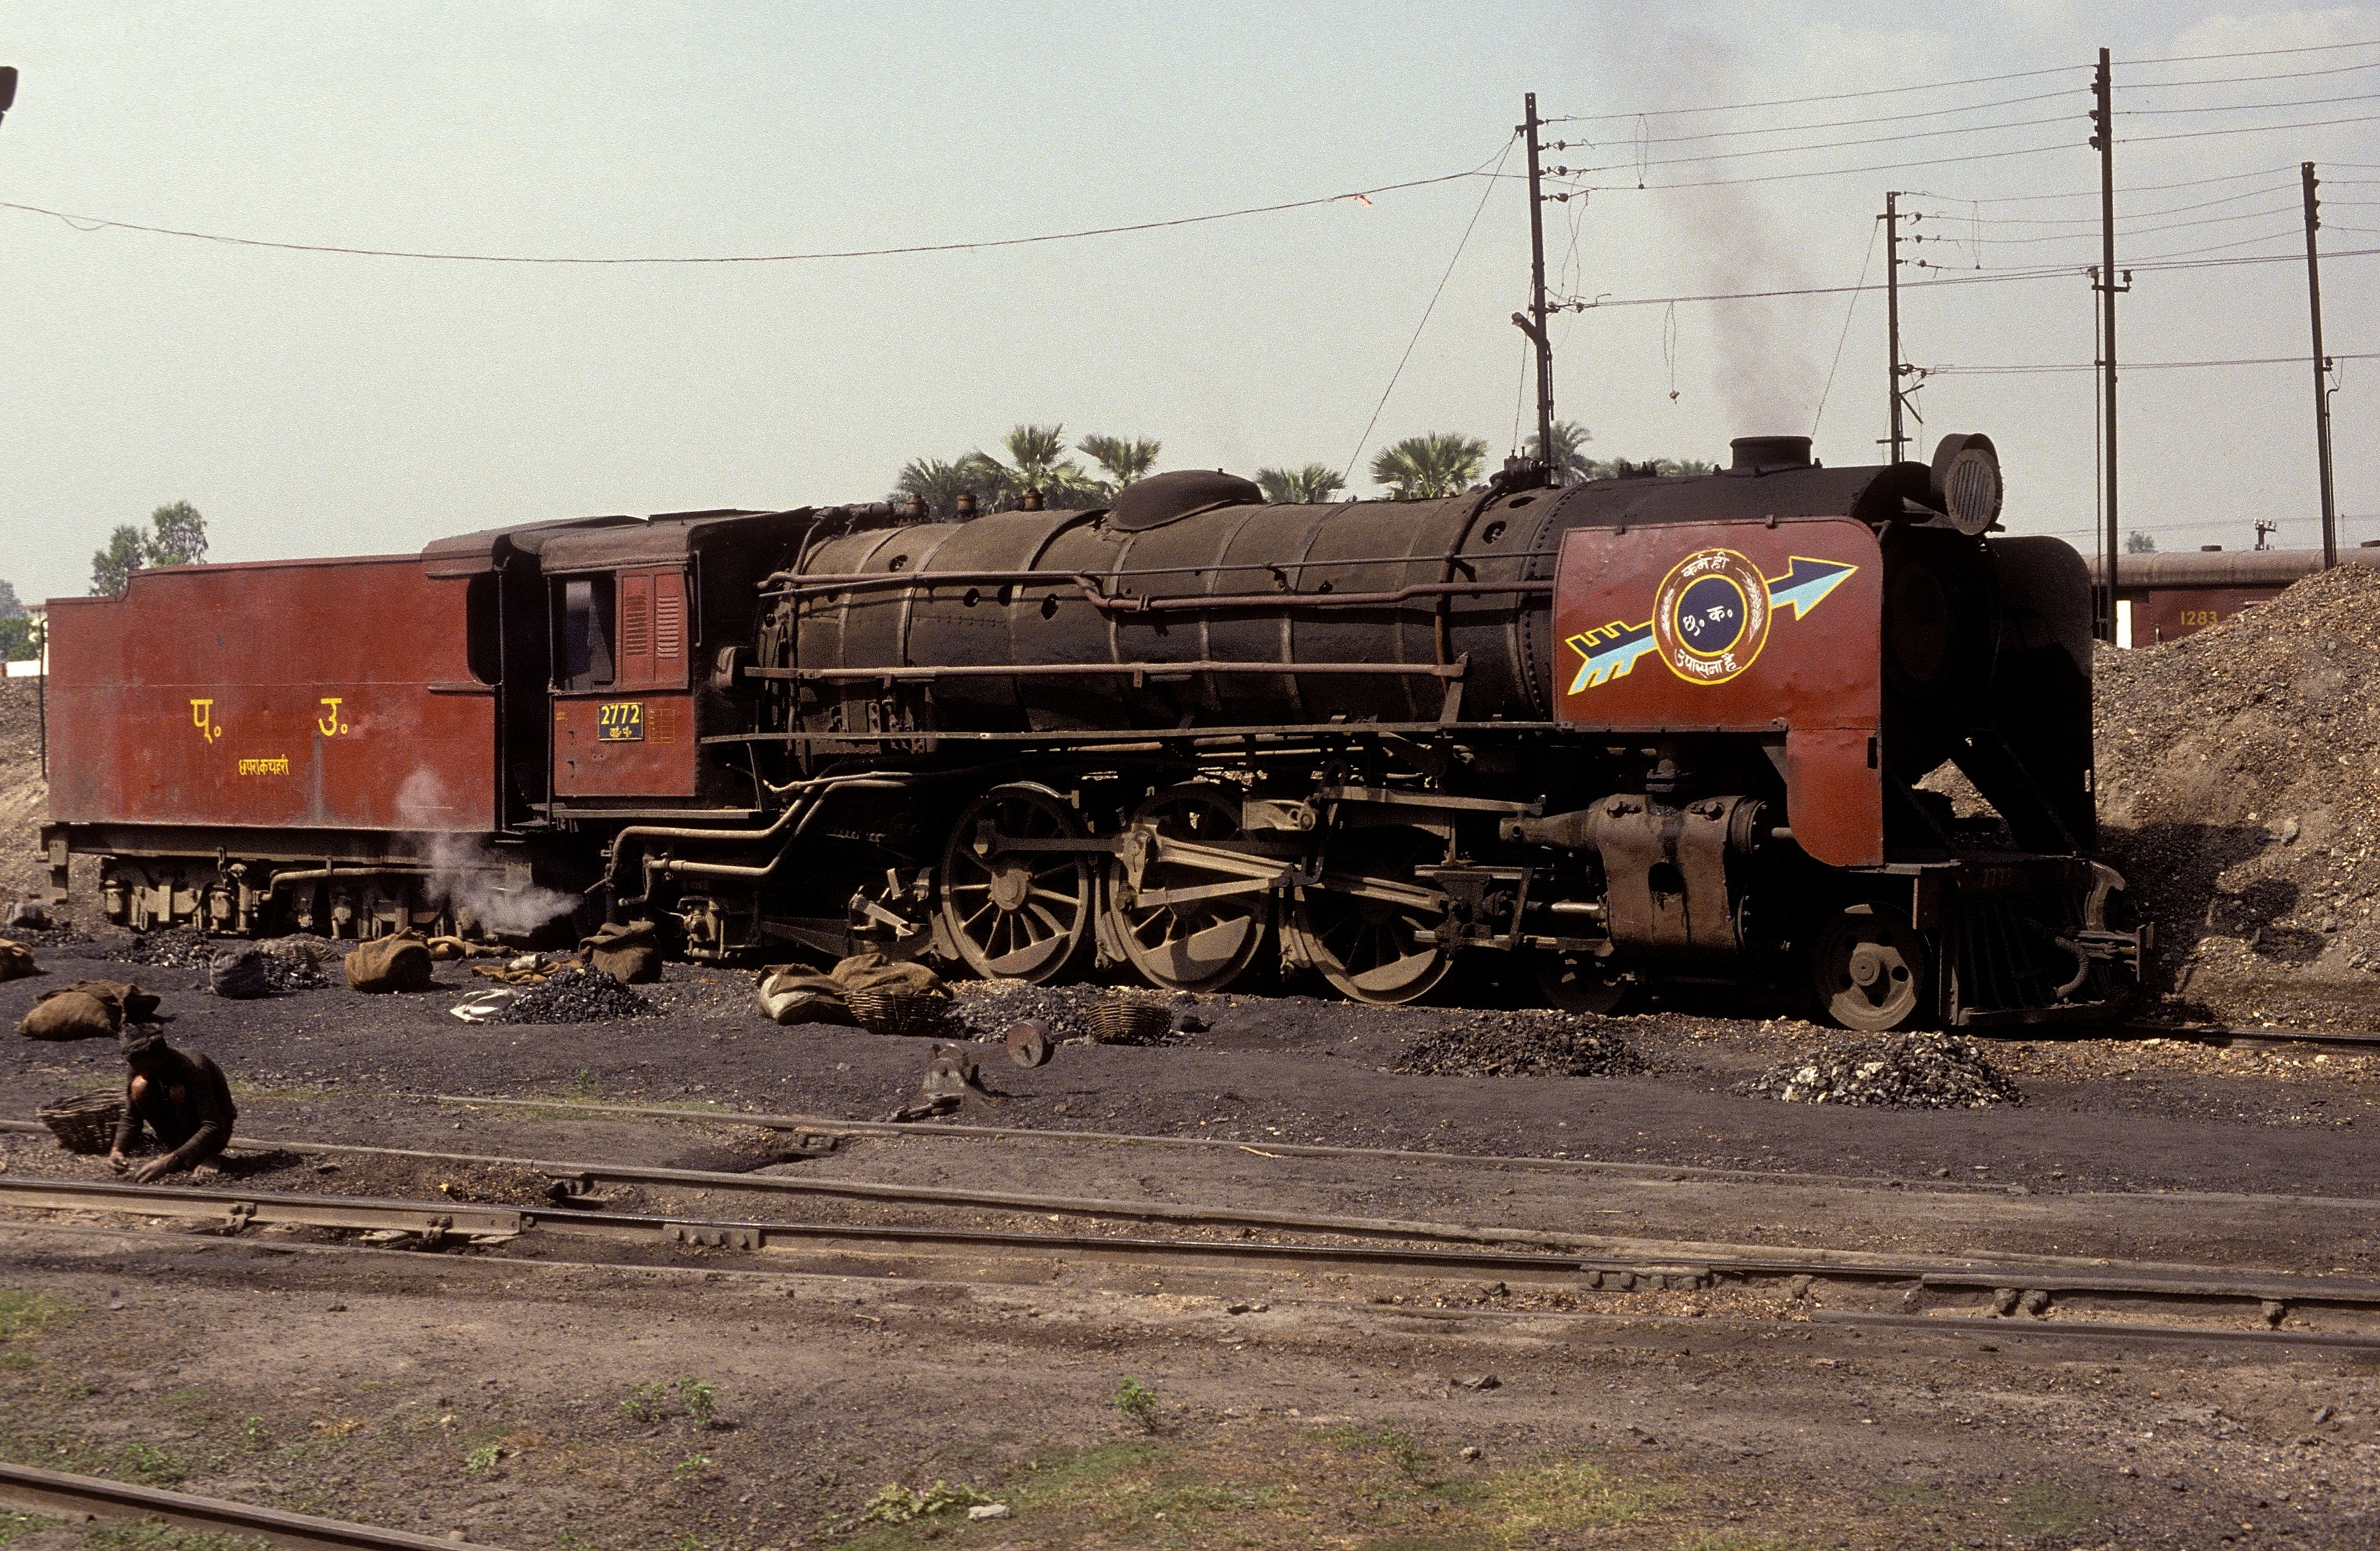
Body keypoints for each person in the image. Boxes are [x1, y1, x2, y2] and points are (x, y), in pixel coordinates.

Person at [107, 1033, 237, 1182]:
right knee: (139, 1086)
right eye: (137, 1068)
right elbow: (131, 1116)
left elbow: (212, 1125)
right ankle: (178, 1149)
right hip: (179, 1131)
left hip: (218, 1132)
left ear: (163, 1057)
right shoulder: (140, 1063)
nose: (143, 1071)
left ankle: (205, 1154)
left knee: (177, 1090)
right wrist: (117, 1150)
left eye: (149, 1067)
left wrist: (169, 1162)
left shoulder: (195, 1068)